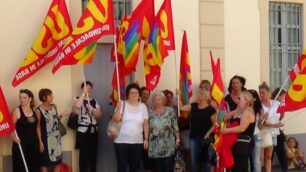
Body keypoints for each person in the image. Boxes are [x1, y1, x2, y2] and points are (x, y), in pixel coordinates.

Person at [112, 83, 149, 172]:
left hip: (137, 142)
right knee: (122, 167)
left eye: (136, 92)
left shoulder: (143, 106)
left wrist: (146, 139)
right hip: (121, 141)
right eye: (131, 92)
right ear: (127, 93)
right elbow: (116, 120)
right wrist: (118, 108)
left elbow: (145, 124)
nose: (134, 94)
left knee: (135, 167)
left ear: (139, 94)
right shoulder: (122, 104)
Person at [180, 89, 216, 172]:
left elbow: (215, 125)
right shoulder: (193, 106)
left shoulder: (211, 110)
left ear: (206, 97)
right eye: (199, 93)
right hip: (194, 137)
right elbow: (181, 108)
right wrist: (179, 96)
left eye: (201, 93)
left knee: (206, 161)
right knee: (193, 160)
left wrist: (208, 133)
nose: (198, 95)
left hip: (206, 138)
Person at [221, 91, 256, 172]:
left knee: (240, 168)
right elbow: (226, 117)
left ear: (247, 100)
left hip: (244, 143)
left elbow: (242, 128)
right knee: (237, 168)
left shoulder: (248, 111)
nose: (237, 99)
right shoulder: (240, 110)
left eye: (240, 98)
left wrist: (226, 130)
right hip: (238, 143)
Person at [73, 81, 102, 172]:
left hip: (93, 131)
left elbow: (99, 115)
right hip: (83, 132)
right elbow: (77, 106)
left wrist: (93, 110)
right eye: (86, 87)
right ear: (82, 88)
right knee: (83, 157)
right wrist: (83, 94)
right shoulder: (77, 98)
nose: (88, 89)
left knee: (93, 156)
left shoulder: (94, 101)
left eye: (90, 88)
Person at [148, 92, 180, 172]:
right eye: (155, 99)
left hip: (168, 145)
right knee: (156, 169)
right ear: (153, 101)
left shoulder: (170, 111)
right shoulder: (149, 112)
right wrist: (146, 140)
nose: (157, 101)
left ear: (163, 100)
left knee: (168, 168)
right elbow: (146, 128)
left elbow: (175, 126)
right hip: (154, 146)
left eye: (159, 99)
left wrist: (178, 139)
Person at [11, 89, 40, 172]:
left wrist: (40, 142)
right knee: (21, 167)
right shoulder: (17, 111)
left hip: (34, 145)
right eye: (20, 98)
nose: (22, 99)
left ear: (30, 99)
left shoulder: (35, 111)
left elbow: (38, 127)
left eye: (24, 97)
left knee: (34, 166)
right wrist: (14, 138)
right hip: (20, 145)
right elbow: (11, 129)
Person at [36, 88, 65, 172]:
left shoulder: (54, 107)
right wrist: (40, 142)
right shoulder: (38, 110)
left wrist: (61, 116)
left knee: (58, 162)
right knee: (44, 163)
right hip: (46, 139)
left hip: (56, 138)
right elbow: (38, 127)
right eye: (50, 95)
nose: (52, 97)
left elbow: (54, 120)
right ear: (44, 97)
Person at [259, 82, 284, 172]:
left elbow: (280, 117)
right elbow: (262, 122)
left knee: (269, 156)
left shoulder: (276, 103)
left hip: (273, 132)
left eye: (263, 93)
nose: (261, 95)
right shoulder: (259, 105)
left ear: (269, 93)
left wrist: (283, 112)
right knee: (260, 156)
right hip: (263, 132)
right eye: (260, 93)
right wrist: (274, 125)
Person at [271, 87, 288, 172]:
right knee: (273, 153)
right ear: (278, 96)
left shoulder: (280, 104)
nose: (284, 98)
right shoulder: (272, 103)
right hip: (271, 131)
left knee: (279, 153)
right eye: (284, 96)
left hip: (276, 131)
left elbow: (280, 118)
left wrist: (283, 110)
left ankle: (284, 169)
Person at [248, 89, 264, 172]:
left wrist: (263, 118)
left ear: (254, 99)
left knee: (255, 161)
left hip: (255, 134)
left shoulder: (259, 109)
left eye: (248, 96)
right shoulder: (244, 107)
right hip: (248, 135)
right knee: (248, 161)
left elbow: (260, 126)